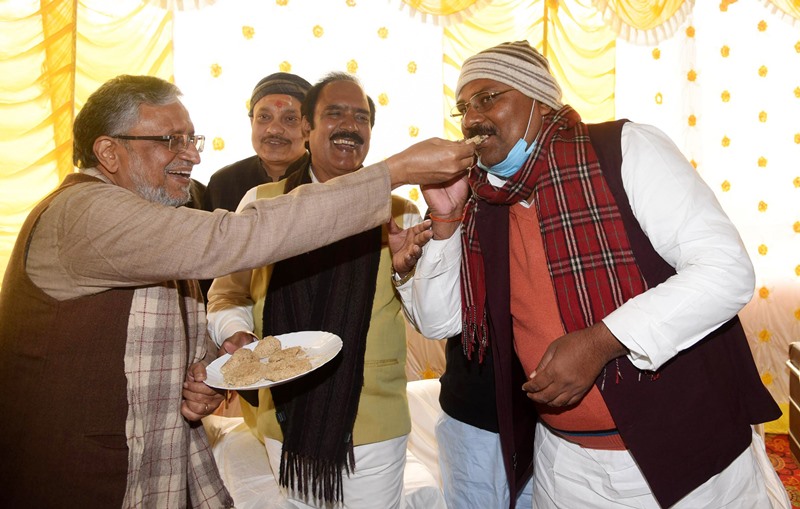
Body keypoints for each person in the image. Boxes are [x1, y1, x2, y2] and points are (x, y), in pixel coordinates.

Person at [0, 74, 475, 509]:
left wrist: (202, 375)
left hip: (161, 460)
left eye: (192, 139)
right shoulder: (85, 213)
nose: (193, 156)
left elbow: (171, 322)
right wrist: (394, 170)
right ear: (108, 153)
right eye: (171, 140)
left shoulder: (149, 221)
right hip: (80, 473)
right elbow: (234, 245)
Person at [395, 40, 786, 508]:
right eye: (463, 107)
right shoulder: (482, 197)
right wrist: (444, 219)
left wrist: (600, 342)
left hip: (687, 454)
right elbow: (439, 321)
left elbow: (726, 271)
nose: (471, 119)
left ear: (540, 100)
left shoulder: (624, 149)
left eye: (488, 98)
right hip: (565, 464)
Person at [206, 72, 427, 509]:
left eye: (361, 117)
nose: (349, 125)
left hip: (375, 418)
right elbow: (227, 294)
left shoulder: (400, 211)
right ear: (307, 127)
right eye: (334, 113)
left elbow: (428, 318)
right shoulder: (263, 203)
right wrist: (238, 335)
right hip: (285, 415)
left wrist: (407, 273)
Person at [202, 72, 312, 213]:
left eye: (290, 119)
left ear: (309, 127)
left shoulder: (323, 179)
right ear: (251, 122)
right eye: (264, 117)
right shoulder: (223, 183)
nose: (274, 129)